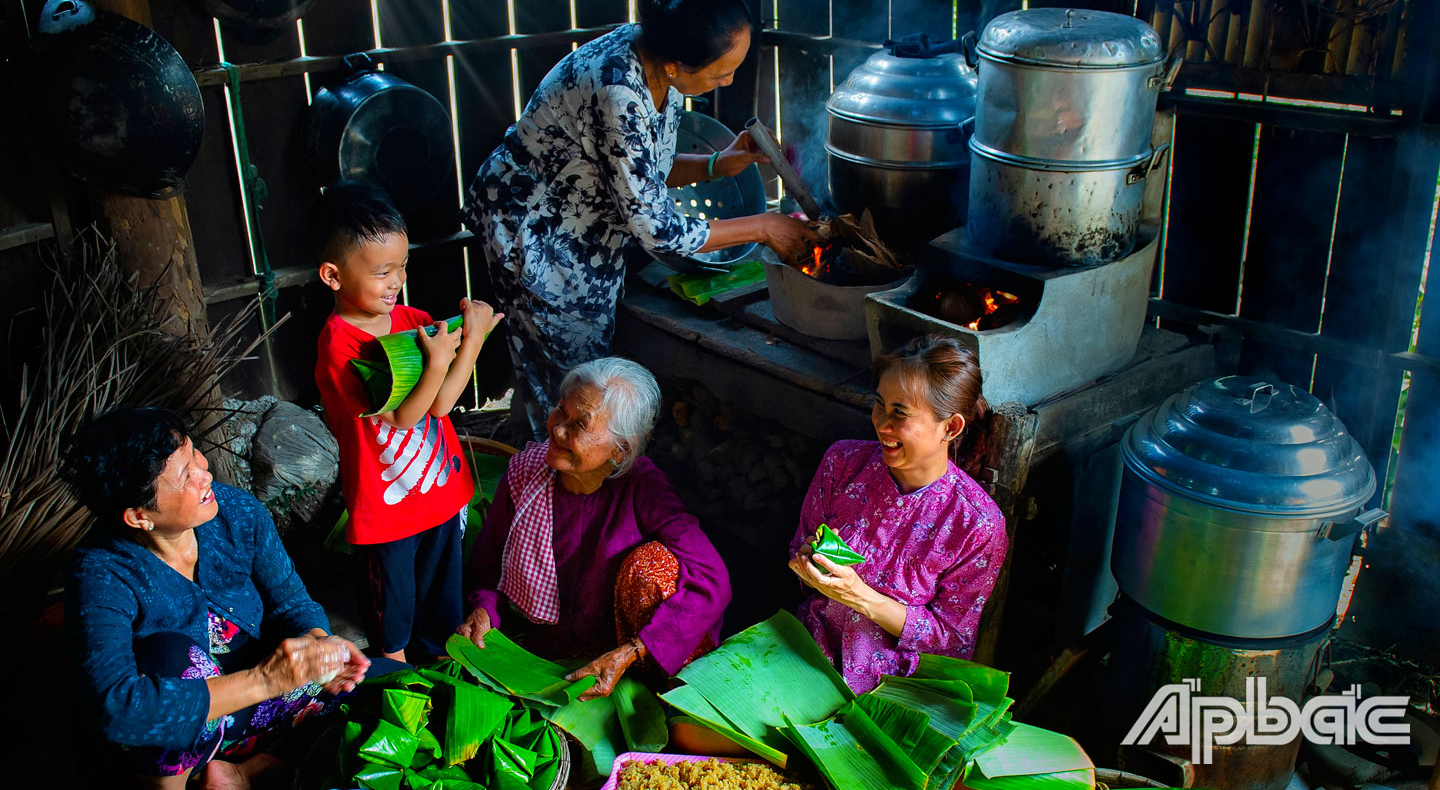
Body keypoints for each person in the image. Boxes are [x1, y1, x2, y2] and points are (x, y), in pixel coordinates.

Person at [462, 0, 817, 439]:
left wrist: (719, 163)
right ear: (676, 64)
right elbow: (657, 226)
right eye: (721, 71)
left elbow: (638, 170)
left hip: (579, 221)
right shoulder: (619, 90)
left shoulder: (653, 55)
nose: (729, 81)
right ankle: (551, 484)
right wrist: (765, 227)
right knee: (569, 385)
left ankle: (531, 457)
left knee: (553, 372)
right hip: (537, 228)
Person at [64, 407, 371, 790]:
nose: (204, 473)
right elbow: (117, 706)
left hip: (262, 705)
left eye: (194, 453)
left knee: (379, 689)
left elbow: (292, 603)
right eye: (185, 475)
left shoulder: (237, 512)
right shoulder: (101, 571)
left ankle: (247, 771)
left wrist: (318, 650)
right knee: (169, 656)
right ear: (140, 516)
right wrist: (265, 679)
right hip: (191, 728)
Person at [458, 356, 730, 699]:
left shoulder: (643, 488)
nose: (557, 430)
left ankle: (659, 692)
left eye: (580, 425)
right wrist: (483, 608)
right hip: (541, 646)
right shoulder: (525, 474)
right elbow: (488, 564)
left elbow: (712, 578)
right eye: (561, 411)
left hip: (617, 655)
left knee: (653, 565)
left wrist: (633, 650)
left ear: (620, 450)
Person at [312, 181, 504, 664]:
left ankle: (439, 664)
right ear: (333, 276)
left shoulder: (409, 319)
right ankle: (395, 676)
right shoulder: (339, 348)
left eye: (401, 267)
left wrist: (473, 340)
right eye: (382, 272)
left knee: (442, 597)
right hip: (387, 508)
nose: (396, 280)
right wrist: (440, 360)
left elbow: (443, 406)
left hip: (439, 491)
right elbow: (402, 418)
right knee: (391, 609)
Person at [788, 335, 1008, 694]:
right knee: (692, 734)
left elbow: (950, 637)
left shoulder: (977, 525)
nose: (881, 424)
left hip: (894, 685)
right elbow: (800, 550)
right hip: (809, 650)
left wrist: (859, 595)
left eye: (900, 413)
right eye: (879, 405)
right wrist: (811, 564)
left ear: (950, 428)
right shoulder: (842, 464)